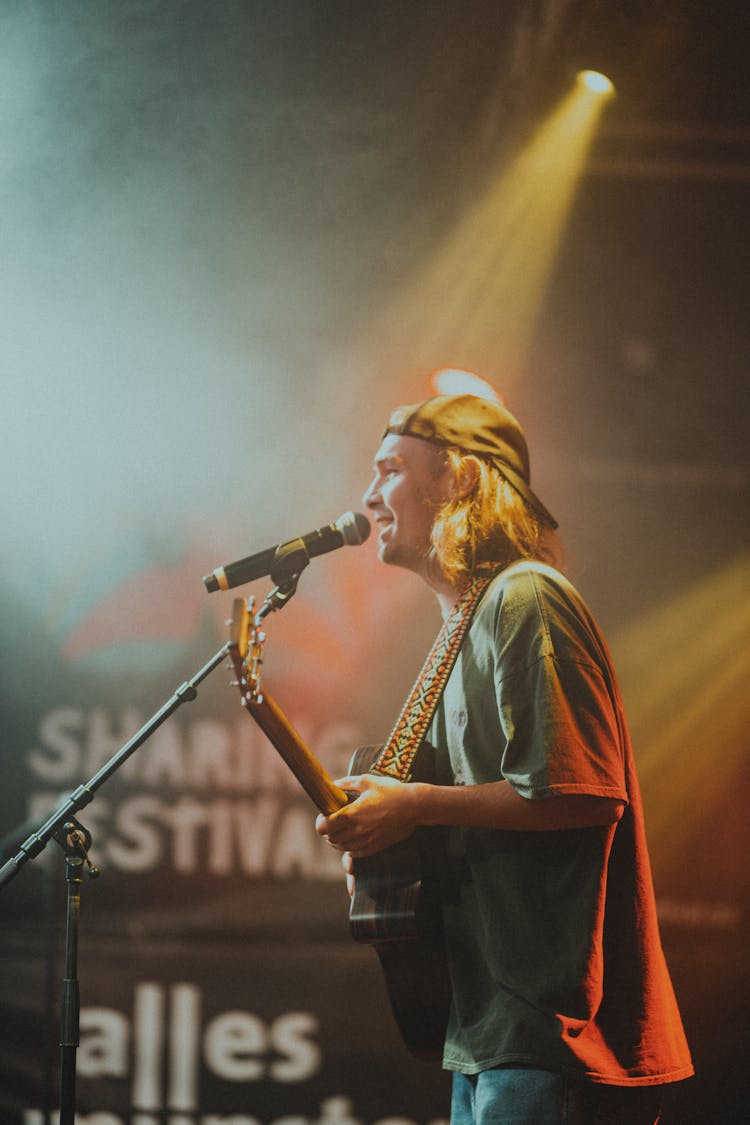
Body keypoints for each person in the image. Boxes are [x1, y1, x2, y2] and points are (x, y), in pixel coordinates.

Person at [315, 393, 693, 1125]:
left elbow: (583, 792)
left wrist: (415, 806)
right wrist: (391, 833)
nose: (367, 495)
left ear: (458, 478)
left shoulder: (525, 597)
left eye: (390, 468)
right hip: (494, 1030)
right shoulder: (467, 618)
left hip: (551, 1036)